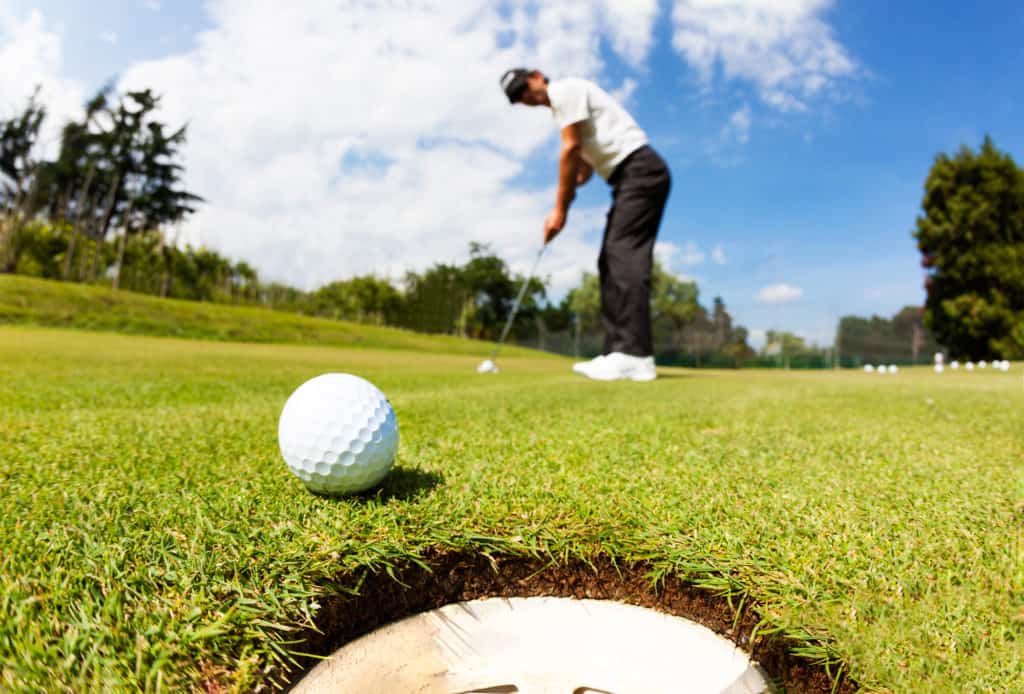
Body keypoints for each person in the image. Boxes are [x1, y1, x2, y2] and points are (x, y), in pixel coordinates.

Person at [500, 68, 671, 382]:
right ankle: (618, 352)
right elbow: (583, 170)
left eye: (523, 88)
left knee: (624, 255)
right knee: (609, 259)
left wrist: (559, 210)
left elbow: (570, 150)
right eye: (517, 98)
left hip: (641, 171)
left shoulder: (565, 91)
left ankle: (635, 355)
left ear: (537, 76)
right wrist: (573, 184)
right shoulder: (563, 112)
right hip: (627, 178)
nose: (525, 98)